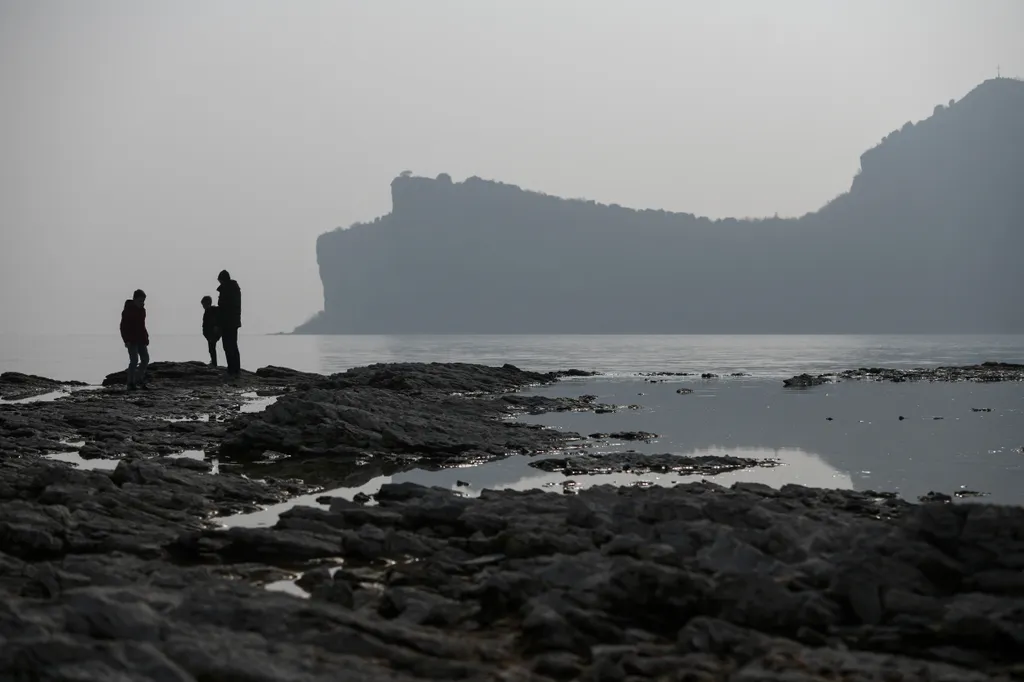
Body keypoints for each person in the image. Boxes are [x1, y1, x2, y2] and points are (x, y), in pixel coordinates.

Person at [119, 289, 149, 390]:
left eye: (143, 301)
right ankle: (130, 383)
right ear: (135, 300)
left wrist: (146, 337)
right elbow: (123, 326)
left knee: (145, 359)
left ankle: (139, 379)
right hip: (131, 340)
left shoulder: (142, 311)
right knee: (134, 360)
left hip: (141, 339)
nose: (142, 303)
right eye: (140, 301)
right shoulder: (128, 310)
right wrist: (126, 340)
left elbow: (142, 326)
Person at [216, 270, 242, 377]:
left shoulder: (227, 289)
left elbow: (224, 308)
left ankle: (232, 369)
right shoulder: (235, 289)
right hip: (234, 321)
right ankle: (235, 368)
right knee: (233, 345)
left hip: (227, 322)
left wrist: (218, 322)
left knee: (228, 345)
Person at [201, 295, 220, 367]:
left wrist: (215, 329)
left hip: (212, 333)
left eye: (203, 304)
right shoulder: (209, 311)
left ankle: (214, 363)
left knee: (212, 349)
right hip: (210, 333)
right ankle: (213, 361)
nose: (203, 306)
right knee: (211, 348)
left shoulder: (211, 311)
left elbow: (211, 322)